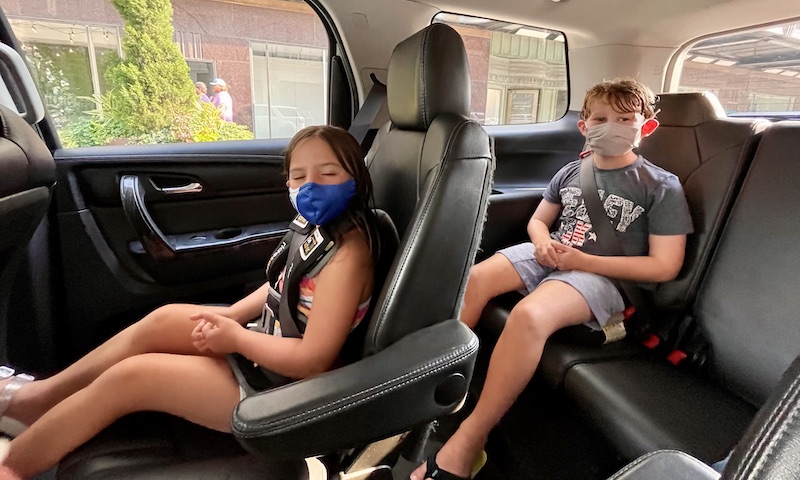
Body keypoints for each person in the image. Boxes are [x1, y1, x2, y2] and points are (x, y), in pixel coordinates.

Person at [0, 125, 380, 479]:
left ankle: (14, 467)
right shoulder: (317, 229)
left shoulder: (347, 258)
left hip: (286, 388)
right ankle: (39, 400)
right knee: (164, 320)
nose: (311, 186)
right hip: (271, 346)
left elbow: (313, 359)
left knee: (133, 377)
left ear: (356, 181)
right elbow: (284, 284)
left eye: (328, 174)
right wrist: (232, 315)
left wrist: (236, 339)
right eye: (299, 177)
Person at [411, 78, 694, 480]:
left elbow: (664, 267)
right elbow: (539, 221)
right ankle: (428, 389)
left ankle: (471, 439)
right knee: (473, 279)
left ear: (645, 128)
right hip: (555, 253)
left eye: (624, 119)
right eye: (600, 118)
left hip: (605, 274)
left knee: (529, 315)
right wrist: (542, 242)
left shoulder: (660, 186)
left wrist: (584, 261)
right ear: (584, 126)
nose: (610, 126)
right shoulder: (571, 171)